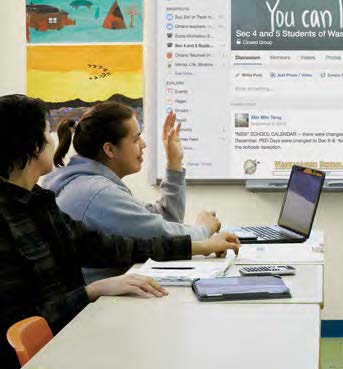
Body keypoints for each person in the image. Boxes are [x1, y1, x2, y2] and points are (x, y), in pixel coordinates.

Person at [0, 94, 240, 369]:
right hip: (52, 352)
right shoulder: (13, 214)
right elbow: (18, 320)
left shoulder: (38, 201)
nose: (54, 139)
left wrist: (198, 246)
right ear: (32, 145)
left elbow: (111, 246)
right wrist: (91, 292)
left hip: (70, 336)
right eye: (47, 131)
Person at [42, 102, 221, 282]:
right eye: (135, 139)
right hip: (92, 306)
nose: (143, 145)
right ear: (110, 149)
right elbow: (163, 235)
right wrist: (204, 230)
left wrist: (174, 162)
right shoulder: (96, 193)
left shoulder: (93, 184)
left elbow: (163, 221)